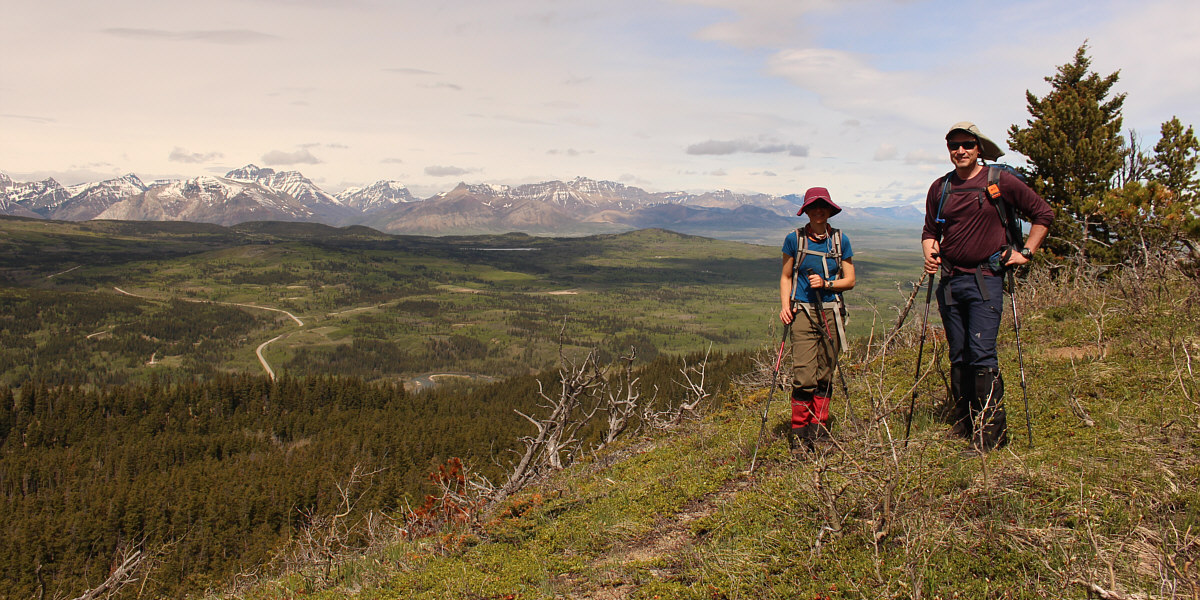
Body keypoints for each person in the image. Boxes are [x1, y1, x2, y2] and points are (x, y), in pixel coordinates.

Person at [921, 122, 1054, 450]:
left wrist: (1026, 253)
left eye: (966, 144)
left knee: (981, 355)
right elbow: (929, 231)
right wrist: (931, 254)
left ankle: (991, 439)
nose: (960, 150)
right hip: (951, 281)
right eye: (954, 145)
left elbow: (1043, 213)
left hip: (986, 280)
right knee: (959, 355)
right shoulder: (941, 188)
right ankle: (966, 426)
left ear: (979, 147)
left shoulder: (999, 181)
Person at [780, 187, 855, 452]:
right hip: (802, 311)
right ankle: (800, 437)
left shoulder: (840, 240)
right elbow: (786, 276)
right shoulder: (794, 239)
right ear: (807, 211)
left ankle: (819, 432)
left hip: (831, 311)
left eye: (823, 207)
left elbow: (850, 280)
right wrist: (785, 305)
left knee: (826, 373)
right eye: (814, 207)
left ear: (830, 210)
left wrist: (827, 283)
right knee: (804, 375)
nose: (819, 211)